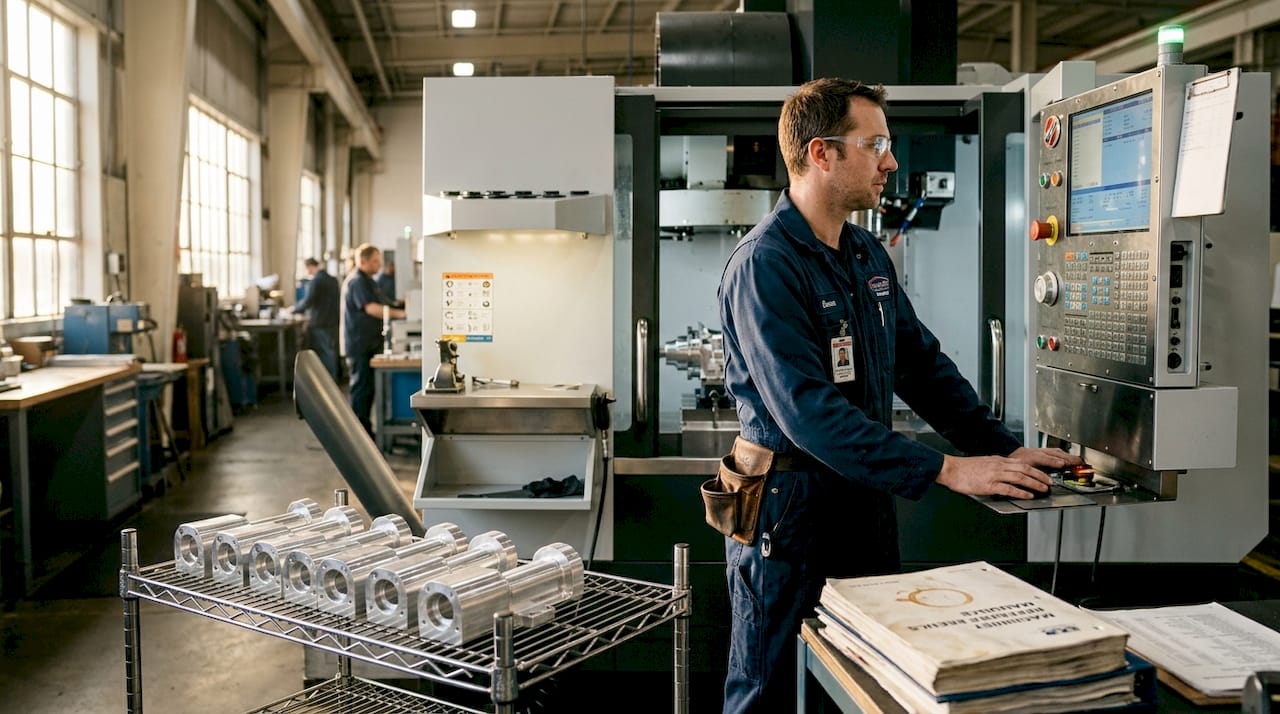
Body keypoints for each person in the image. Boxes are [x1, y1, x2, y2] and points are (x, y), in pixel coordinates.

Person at [716, 78, 1081, 714]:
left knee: (864, 681)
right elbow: (810, 415)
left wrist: (1003, 450)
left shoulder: (863, 252)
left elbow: (920, 366)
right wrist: (947, 469)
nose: (891, 161)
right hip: (789, 514)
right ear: (822, 153)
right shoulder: (766, 264)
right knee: (773, 689)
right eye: (876, 143)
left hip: (862, 506)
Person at [342, 244, 405, 435]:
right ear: (363, 261)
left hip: (369, 344)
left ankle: (366, 431)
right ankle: (358, 435)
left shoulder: (369, 281)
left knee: (369, 391)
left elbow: (382, 301)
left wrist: (399, 303)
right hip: (360, 345)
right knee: (361, 391)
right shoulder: (357, 282)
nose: (379, 264)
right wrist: (400, 314)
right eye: (375, 261)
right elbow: (371, 308)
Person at [293, 257, 340, 381]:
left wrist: (293, 309)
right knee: (331, 351)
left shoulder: (316, 281)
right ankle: (333, 379)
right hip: (332, 321)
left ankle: (329, 382)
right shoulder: (333, 280)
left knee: (325, 353)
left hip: (320, 322)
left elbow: (308, 301)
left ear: (310, 267)